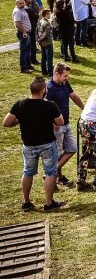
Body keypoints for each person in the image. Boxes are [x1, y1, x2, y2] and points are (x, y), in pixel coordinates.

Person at [4, 76, 66, 212]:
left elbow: (6, 123)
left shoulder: (20, 104)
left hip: (29, 145)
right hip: (47, 144)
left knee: (27, 172)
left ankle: (26, 202)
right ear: (43, 90)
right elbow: (60, 122)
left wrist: (19, 121)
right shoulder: (50, 105)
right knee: (50, 172)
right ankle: (49, 203)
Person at [46, 63, 84, 186]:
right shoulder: (49, 89)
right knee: (56, 153)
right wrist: (52, 122)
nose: (67, 78)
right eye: (65, 76)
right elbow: (44, 108)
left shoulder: (64, 83)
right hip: (56, 126)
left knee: (72, 149)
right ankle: (55, 176)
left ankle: (54, 174)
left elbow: (73, 96)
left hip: (66, 124)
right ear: (56, 74)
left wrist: (84, 108)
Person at [13, 0, 34, 73]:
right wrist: (24, 32)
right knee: (24, 50)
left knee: (28, 49)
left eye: (23, 3)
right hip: (23, 33)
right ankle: (23, 67)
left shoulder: (22, 9)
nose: (22, 4)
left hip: (27, 32)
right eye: (20, 3)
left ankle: (28, 65)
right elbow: (17, 24)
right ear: (16, 4)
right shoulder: (17, 11)